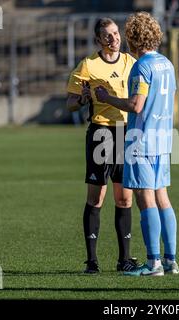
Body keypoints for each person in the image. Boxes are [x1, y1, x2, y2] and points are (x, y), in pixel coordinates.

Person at [95, 12, 179, 276]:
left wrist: (107, 98)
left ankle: (153, 263)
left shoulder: (141, 67)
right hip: (163, 138)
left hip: (141, 140)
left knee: (146, 198)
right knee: (163, 197)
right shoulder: (167, 64)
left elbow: (136, 104)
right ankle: (170, 260)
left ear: (132, 38)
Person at [66, 17, 139, 274]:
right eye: (108, 35)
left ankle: (125, 260)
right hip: (101, 133)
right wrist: (83, 99)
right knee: (97, 198)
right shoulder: (88, 65)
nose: (114, 38)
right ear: (99, 40)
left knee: (124, 198)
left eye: (116, 33)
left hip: (126, 134)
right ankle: (92, 262)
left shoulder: (132, 63)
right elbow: (71, 103)